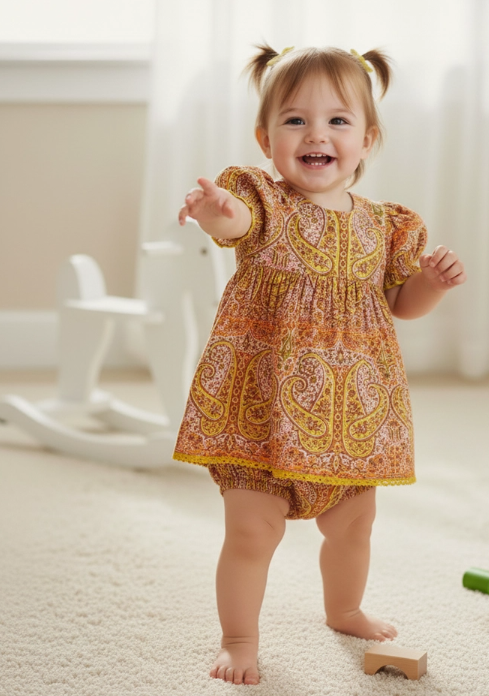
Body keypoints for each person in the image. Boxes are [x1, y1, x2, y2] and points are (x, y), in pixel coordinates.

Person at [173, 43, 466, 686]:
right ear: (266, 138)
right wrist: (218, 211)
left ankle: (345, 608)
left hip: (350, 414)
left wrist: (432, 284)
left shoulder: (386, 227)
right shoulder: (264, 204)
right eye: (295, 120)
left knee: (356, 526)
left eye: (338, 120)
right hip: (261, 413)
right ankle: (239, 639)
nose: (316, 134)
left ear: (366, 140)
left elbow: (400, 303)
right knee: (252, 532)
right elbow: (235, 222)